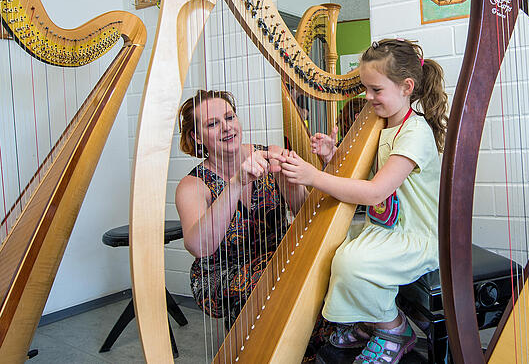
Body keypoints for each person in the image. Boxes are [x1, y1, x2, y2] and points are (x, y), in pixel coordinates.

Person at [279, 39, 448, 364]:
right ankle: (367, 321)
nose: (367, 98)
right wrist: (333, 154)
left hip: (415, 235)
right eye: (364, 89)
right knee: (333, 252)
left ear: (406, 87)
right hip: (385, 229)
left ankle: (394, 329)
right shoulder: (383, 125)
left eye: (375, 90)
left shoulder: (415, 133)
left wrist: (313, 177)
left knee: (352, 263)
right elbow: (365, 173)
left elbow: (374, 192)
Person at [175, 90, 329, 359]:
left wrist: (292, 180)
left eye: (229, 117)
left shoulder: (270, 155)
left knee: (320, 267)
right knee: (272, 280)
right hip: (222, 273)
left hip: (279, 259)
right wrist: (236, 183)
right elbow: (200, 247)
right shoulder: (193, 185)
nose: (227, 128)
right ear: (197, 138)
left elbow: (307, 216)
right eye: (213, 124)